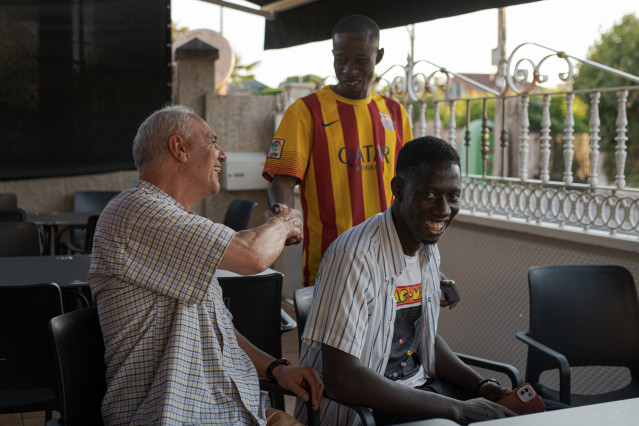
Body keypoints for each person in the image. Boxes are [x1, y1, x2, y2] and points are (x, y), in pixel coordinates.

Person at [89, 105, 323, 425]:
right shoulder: (135, 210)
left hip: (226, 408)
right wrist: (283, 223)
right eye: (213, 141)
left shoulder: (176, 221)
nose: (222, 154)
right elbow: (253, 255)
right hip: (173, 414)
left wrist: (277, 369)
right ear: (179, 148)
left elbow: (218, 324)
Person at [296, 136, 517, 425]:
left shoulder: (427, 248)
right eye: (429, 195)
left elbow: (422, 338)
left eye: (453, 196)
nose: (443, 209)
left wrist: (478, 385)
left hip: (418, 392)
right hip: (366, 409)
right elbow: (342, 379)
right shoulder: (356, 255)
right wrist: (455, 409)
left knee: (533, 413)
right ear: (398, 189)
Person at [262, 14, 414, 287]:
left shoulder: (396, 113)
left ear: (378, 56)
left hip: (390, 262)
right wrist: (283, 216)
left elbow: (411, 188)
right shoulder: (305, 112)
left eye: (360, 60)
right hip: (331, 263)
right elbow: (282, 181)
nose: (349, 70)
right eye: (340, 60)